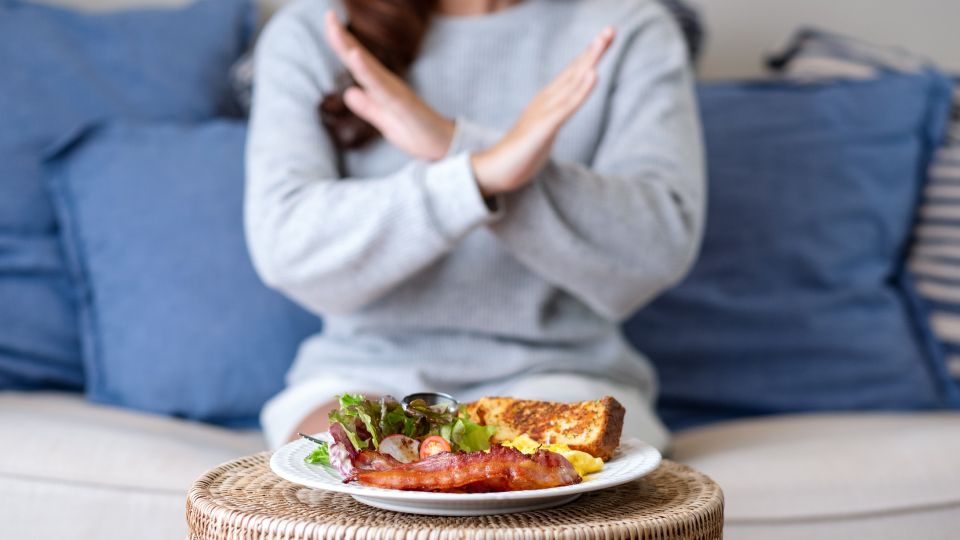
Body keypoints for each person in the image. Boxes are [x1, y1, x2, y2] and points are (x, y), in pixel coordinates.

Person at [245, 0, 705, 453]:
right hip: (358, 373)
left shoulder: (630, 27)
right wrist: (475, 174)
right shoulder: (313, 31)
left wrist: (452, 142)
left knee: (543, 489)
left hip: (564, 375)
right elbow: (286, 245)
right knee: (336, 469)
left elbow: (658, 246)